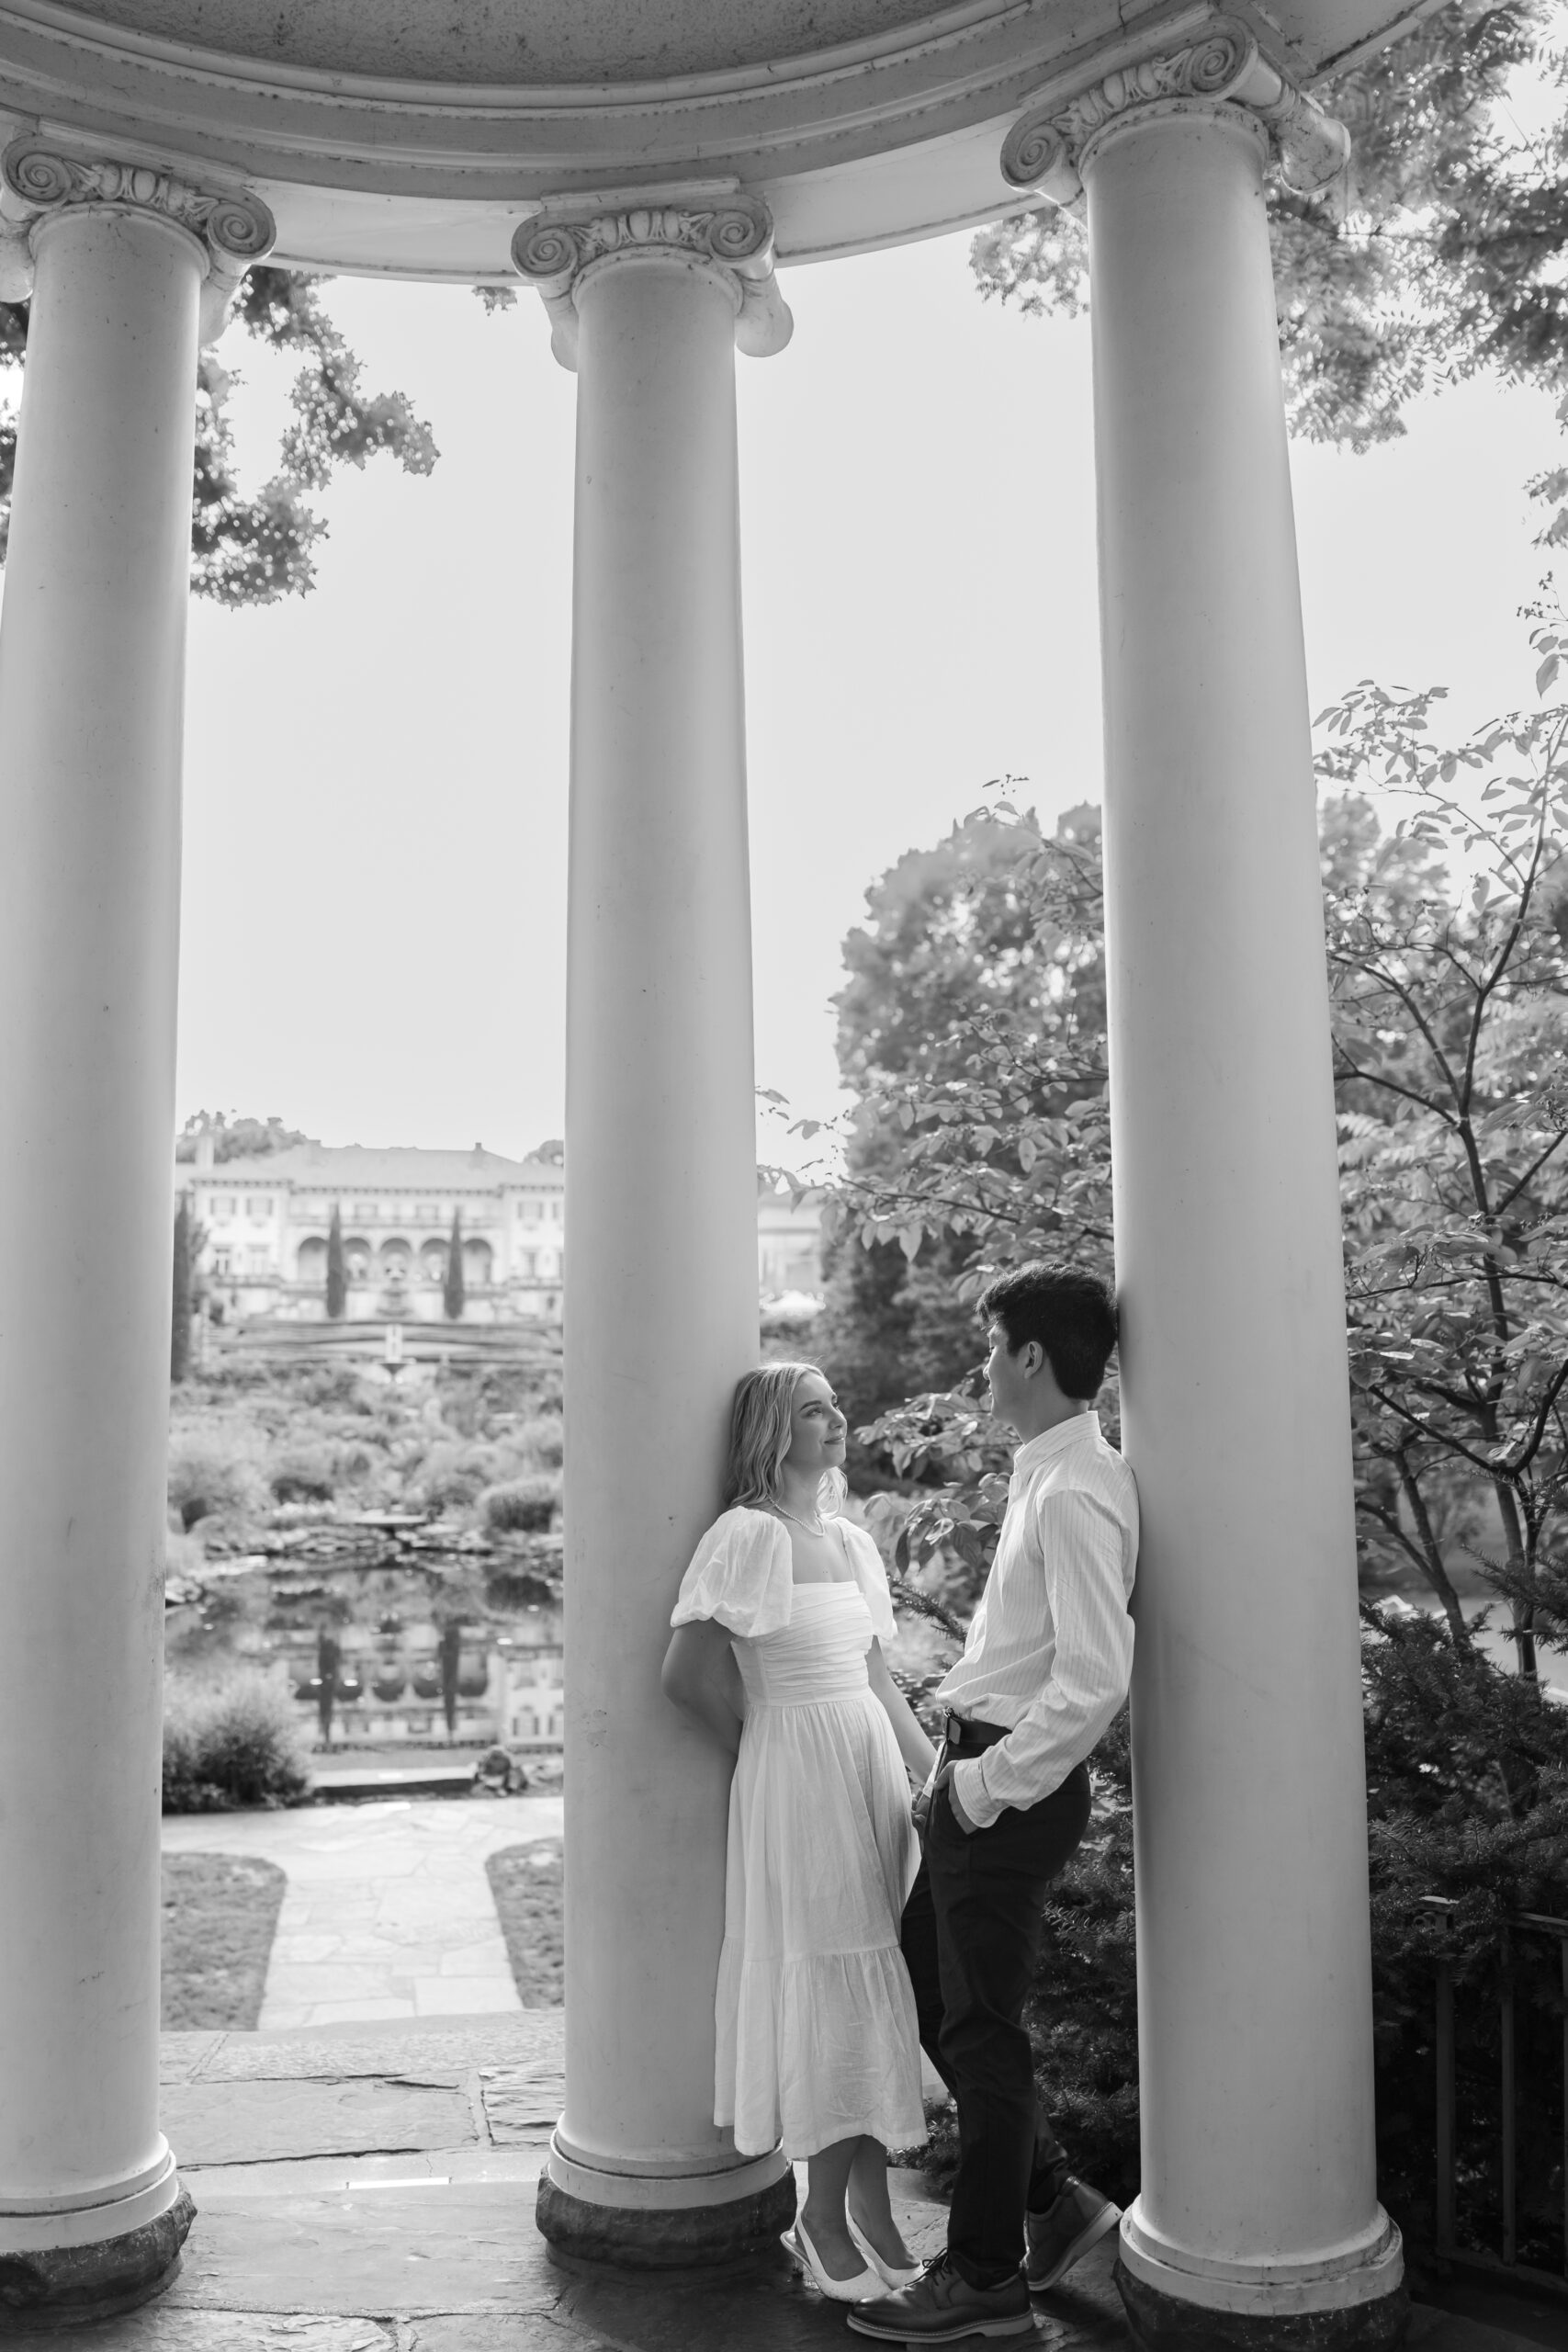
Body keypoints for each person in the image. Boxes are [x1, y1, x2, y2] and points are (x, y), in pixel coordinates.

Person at [849, 1261, 1139, 2346]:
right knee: (935, 1993)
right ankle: (1052, 2204)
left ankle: (983, 2282)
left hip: (1001, 1798)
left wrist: (980, 1786)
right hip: (977, 1786)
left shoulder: (1074, 1489)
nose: (980, 1371)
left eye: (989, 1349)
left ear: (1029, 1356)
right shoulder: (1045, 1473)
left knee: (983, 2038)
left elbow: (1094, 1676)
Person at [661, 1363, 940, 2302]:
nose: (837, 1418)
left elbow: (876, 1679)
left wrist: (933, 1779)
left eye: (834, 1404)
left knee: (878, 1976)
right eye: (815, 1408)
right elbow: (686, 1676)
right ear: (775, 1429)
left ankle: (873, 2212)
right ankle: (819, 2214)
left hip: (865, 1767)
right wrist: (768, 1753)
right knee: (835, 1976)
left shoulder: (852, 1541)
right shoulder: (747, 1535)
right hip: (797, 1774)